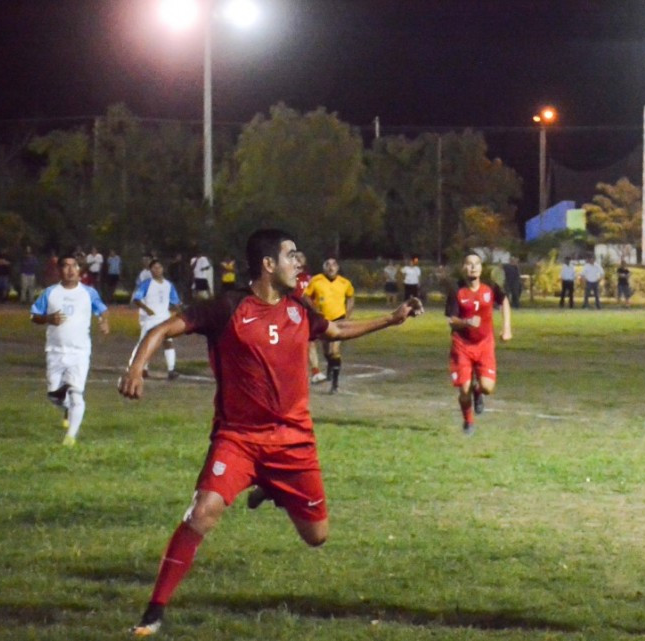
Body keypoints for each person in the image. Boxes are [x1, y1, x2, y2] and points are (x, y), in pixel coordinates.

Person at [119, 229, 422, 637]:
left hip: (294, 440)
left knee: (317, 536)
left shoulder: (298, 307)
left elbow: (334, 331)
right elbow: (160, 330)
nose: (299, 262)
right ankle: (154, 611)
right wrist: (136, 367)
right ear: (267, 264)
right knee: (202, 512)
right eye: (291, 255)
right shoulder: (227, 307)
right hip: (239, 438)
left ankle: (273, 486)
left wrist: (391, 318)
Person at [29, 255, 110, 446]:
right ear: (60, 270)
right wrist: (48, 319)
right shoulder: (50, 293)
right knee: (54, 394)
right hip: (55, 351)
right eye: (66, 266)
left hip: (80, 351)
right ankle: (66, 407)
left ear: (79, 270)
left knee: (76, 393)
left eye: (74, 266)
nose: (71, 269)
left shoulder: (88, 292)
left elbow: (102, 310)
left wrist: (104, 321)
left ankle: (70, 437)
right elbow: (34, 316)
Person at [446, 251, 512, 435]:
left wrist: (506, 328)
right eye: (469, 263)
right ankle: (468, 421)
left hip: (484, 344)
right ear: (463, 268)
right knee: (463, 389)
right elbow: (451, 320)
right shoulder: (456, 290)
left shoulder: (490, 287)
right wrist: (466, 322)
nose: (473, 267)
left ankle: (478, 392)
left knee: (487, 387)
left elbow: (504, 300)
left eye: (476, 263)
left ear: (481, 268)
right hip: (462, 345)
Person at [304, 257, 356, 393]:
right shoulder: (316, 280)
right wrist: (314, 309)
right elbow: (306, 296)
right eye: (328, 264)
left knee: (334, 351)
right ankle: (330, 366)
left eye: (334, 264)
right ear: (324, 267)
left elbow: (350, 297)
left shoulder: (345, 283)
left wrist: (347, 315)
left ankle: (335, 384)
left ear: (338, 268)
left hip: (339, 320)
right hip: (323, 321)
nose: (331, 267)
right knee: (327, 352)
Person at [130, 260, 182, 380]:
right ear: (150, 270)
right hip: (151, 318)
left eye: (159, 267)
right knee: (145, 343)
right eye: (154, 268)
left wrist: (180, 312)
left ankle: (171, 370)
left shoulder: (169, 285)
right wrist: (147, 310)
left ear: (162, 269)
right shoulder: (146, 284)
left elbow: (176, 301)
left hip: (164, 317)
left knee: (168, 342)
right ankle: (142, 368)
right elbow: (136, 299)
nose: (157, 270)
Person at [293, 251, 323, 383]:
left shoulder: (310, 278)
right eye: (296, 257)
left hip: (307, 314)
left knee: (310, 343)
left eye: (301, 257)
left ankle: (315, 371)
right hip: (292, 313)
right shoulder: (289, 278)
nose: (299, 260)